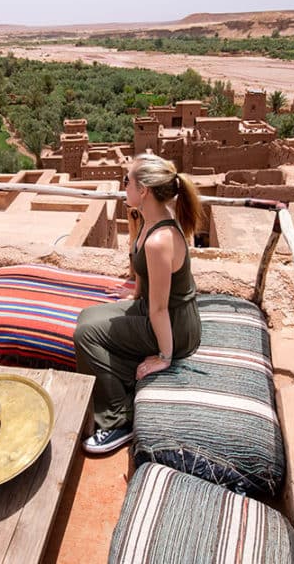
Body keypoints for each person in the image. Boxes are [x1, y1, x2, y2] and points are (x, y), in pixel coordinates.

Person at [74, 153, 204, 454]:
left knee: (86, 335)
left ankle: (119, 421)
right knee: (87, 317)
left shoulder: (160, 240)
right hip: (157, 310)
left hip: (175, 326)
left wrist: (164, 357)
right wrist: (133, 296)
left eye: (126, 181)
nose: (123, 187)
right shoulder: (149, 220)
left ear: (143, 190)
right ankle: (123, 380)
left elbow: (159, 308)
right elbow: (145, 275)